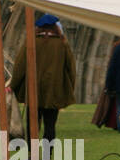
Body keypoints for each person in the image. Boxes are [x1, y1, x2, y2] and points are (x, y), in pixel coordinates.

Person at [10, 14, 77, 147]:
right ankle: (47, 155)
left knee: (32, 124)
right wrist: (68, 88)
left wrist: (14, 85)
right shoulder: (62, 44)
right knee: (50, 125)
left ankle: (32, 153)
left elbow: (19, 66)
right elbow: (71, 69)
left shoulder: (31, 42)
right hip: (54, 90)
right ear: (55, 27)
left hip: (33, 90)